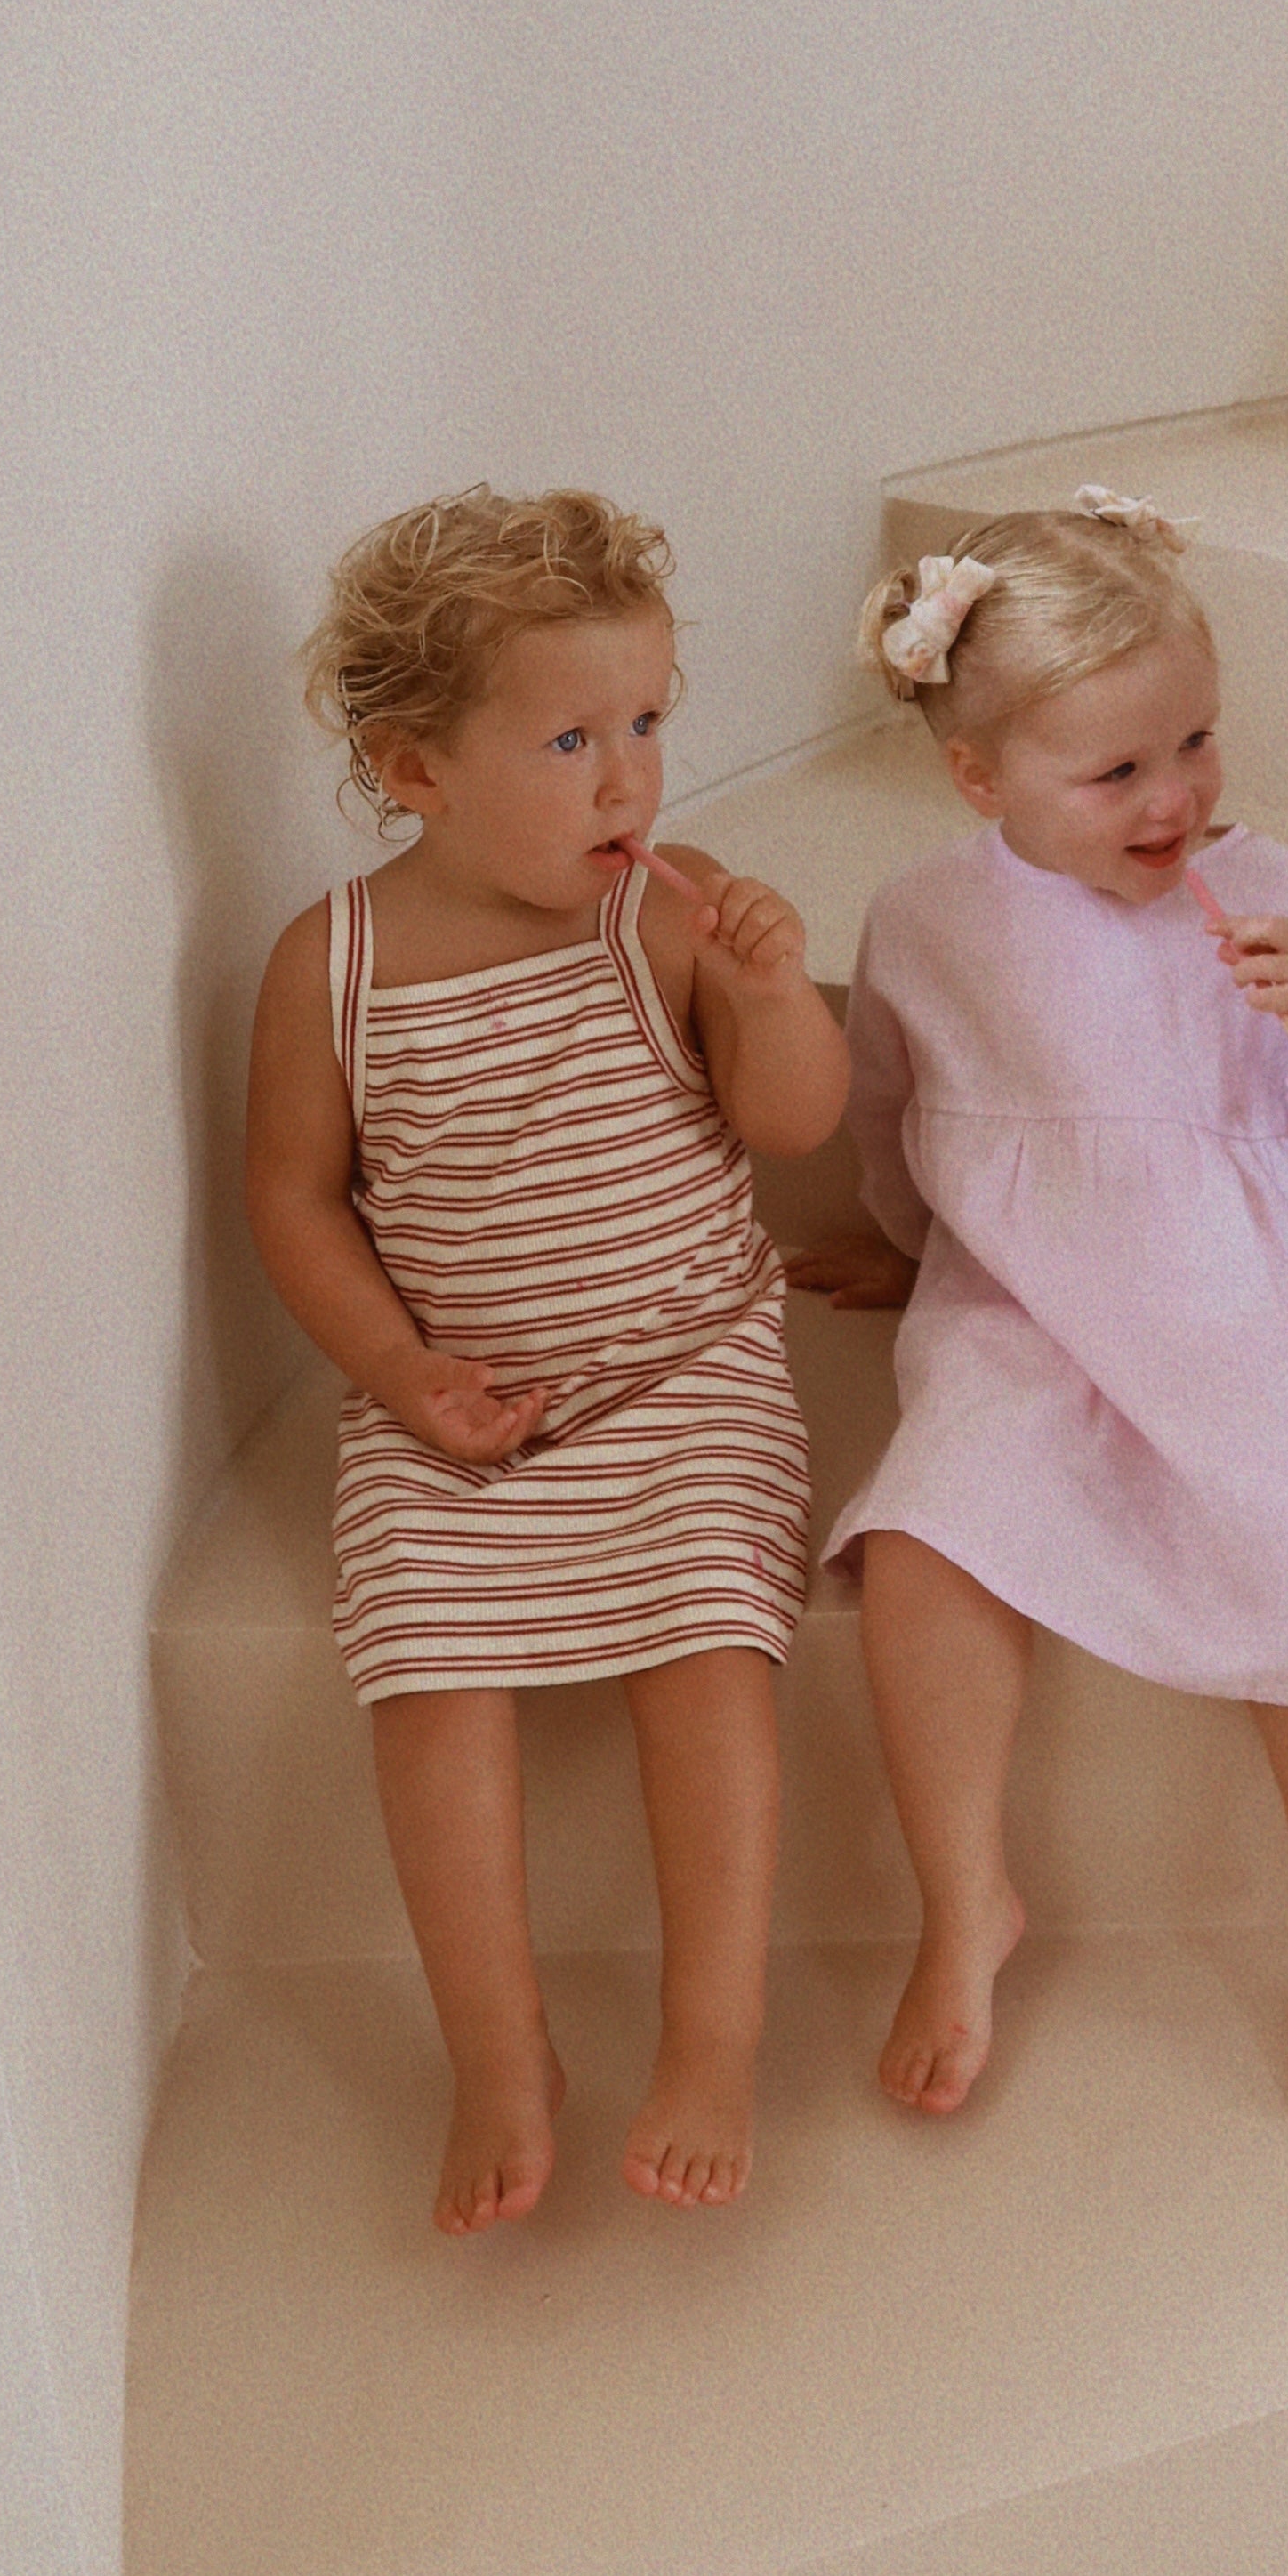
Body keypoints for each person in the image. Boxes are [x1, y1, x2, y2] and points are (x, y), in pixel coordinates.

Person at [790, 492, 1288, 2123]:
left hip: (1242, 1274)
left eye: (1197, 744)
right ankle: (964, 1904)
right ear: (981, 779)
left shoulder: (1268, 893)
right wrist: (906, 1247)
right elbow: (894, 1115)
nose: (1180, 798)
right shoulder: (928, 922)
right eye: (1123, 771)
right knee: (927, 1536)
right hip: (1023, 1296)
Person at [246, 485, 849, 2228]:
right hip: (458, 1402)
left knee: (711, 1660)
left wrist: (778, 990)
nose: (626, 780)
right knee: (425, 1678)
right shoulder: (333, 964)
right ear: (414, 766)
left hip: (685, 1375)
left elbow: (791, 1124)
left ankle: (711, 2039)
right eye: (570, 737)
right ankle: (500, 2051)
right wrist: (401, 1374)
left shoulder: (673, 912)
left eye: (649, 724)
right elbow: (295, 1201)